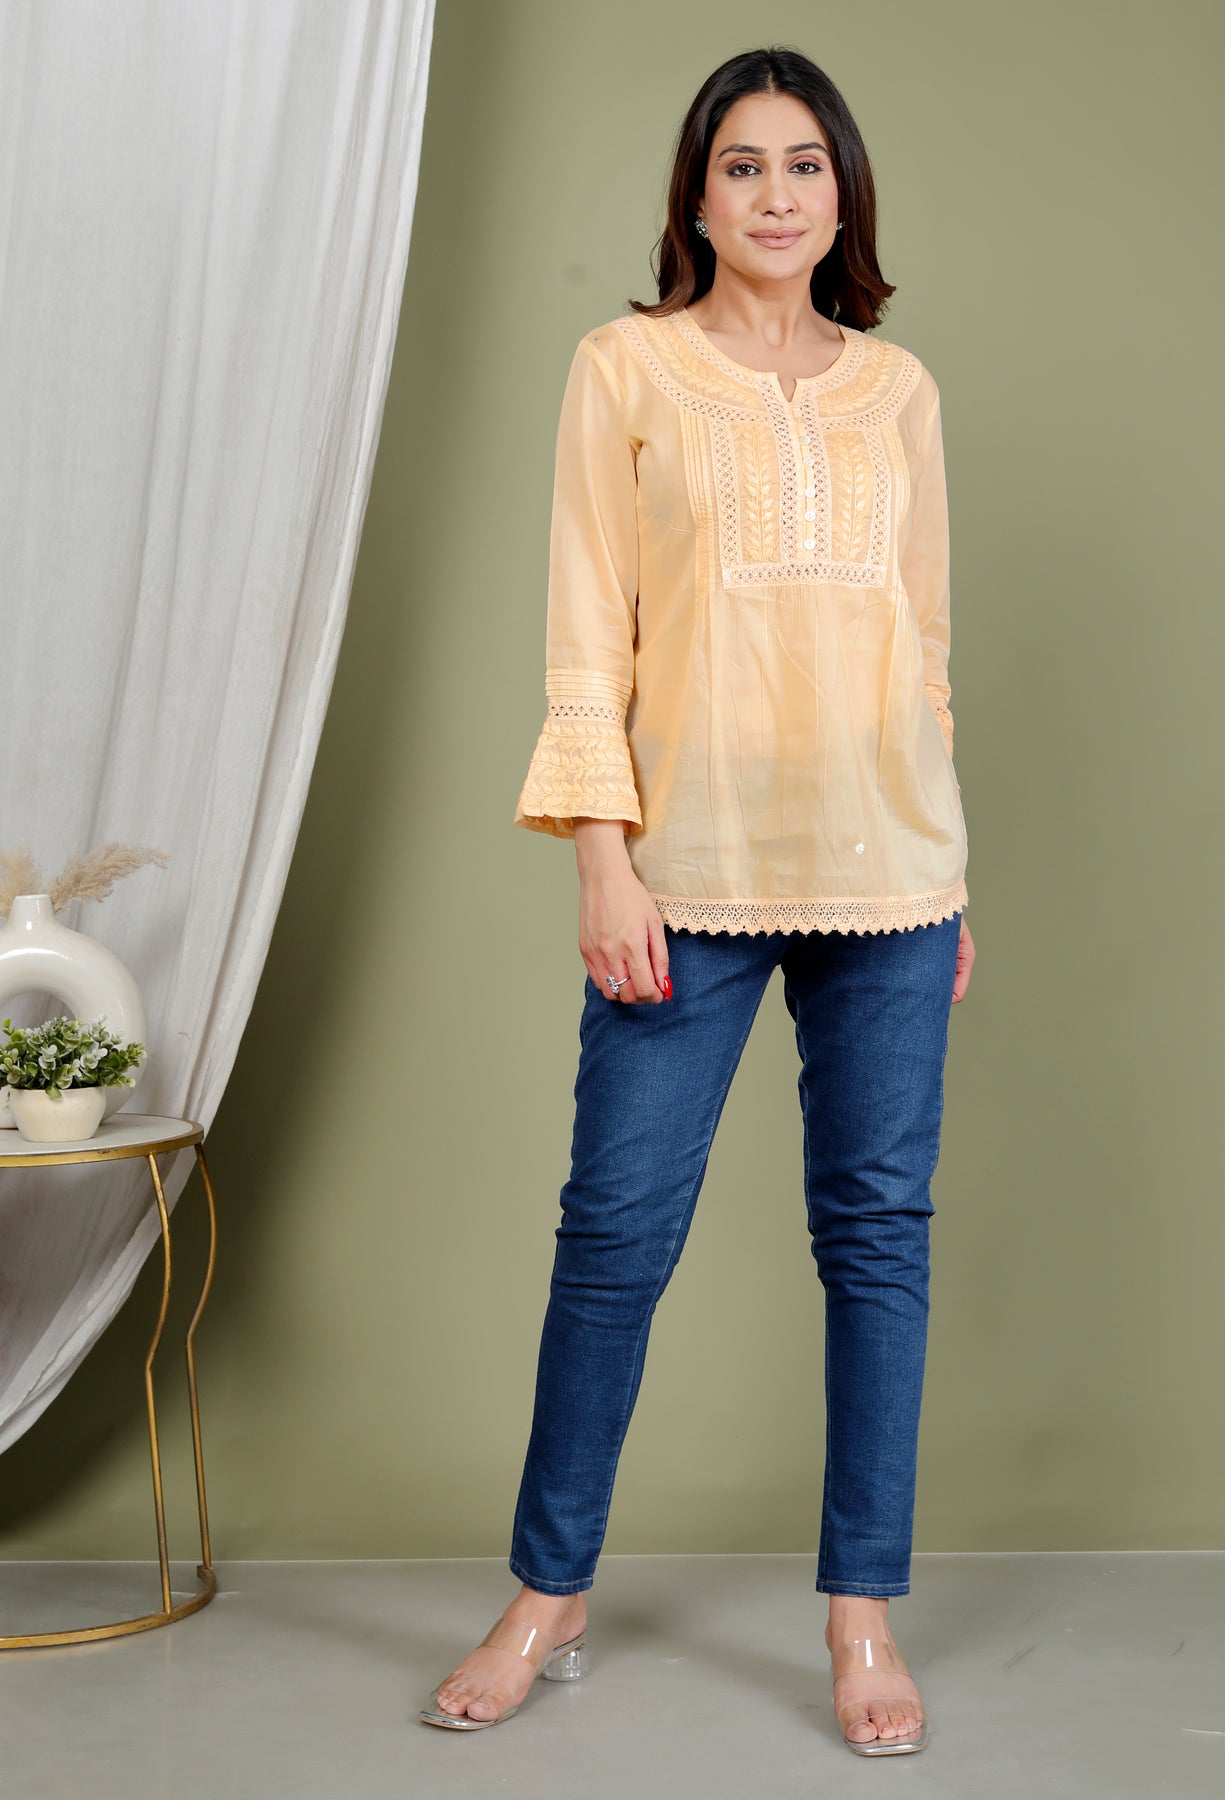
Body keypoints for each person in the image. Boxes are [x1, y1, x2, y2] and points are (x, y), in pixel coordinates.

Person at [419, 43, 976, 1757]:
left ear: (843, 194)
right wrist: (604, 855)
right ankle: (547, 1591)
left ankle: (860, 1611)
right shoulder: (625, 369)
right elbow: (588, 626)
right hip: (689, 874)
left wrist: (954, 876)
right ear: (697, 195)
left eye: (804, 165)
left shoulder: (897, 391)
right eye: (743, 165)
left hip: (892, 876)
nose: (775, 194)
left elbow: (921, 649)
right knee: (613, 1236)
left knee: (874, 1240)